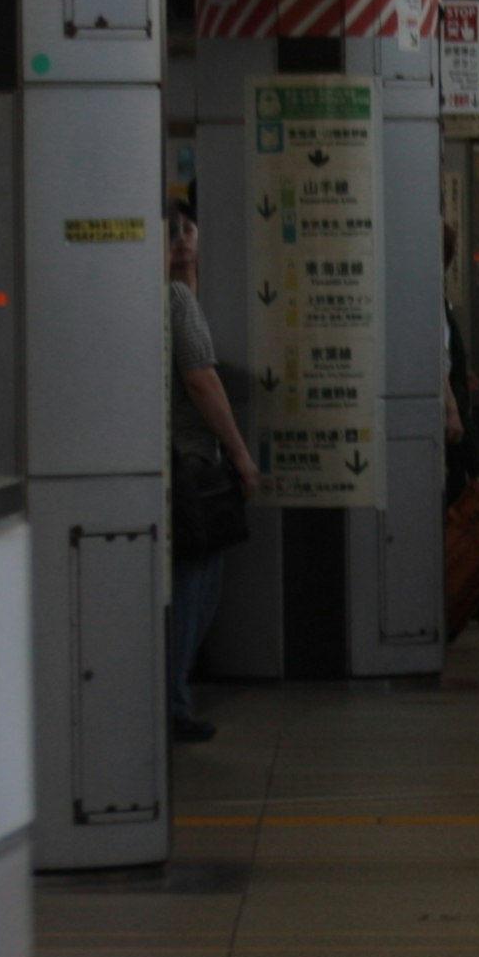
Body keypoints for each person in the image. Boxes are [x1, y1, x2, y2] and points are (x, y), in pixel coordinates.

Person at [163, 208, 260, 745]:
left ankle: (171, 693)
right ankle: (172, 701)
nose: (179, 241)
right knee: (196, 584)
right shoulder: (175, 301)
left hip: (160, 461)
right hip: (189, 465)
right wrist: (240, 453)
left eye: (186, 231)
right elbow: (202, 380)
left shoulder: (167, 296)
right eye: (172, 232)